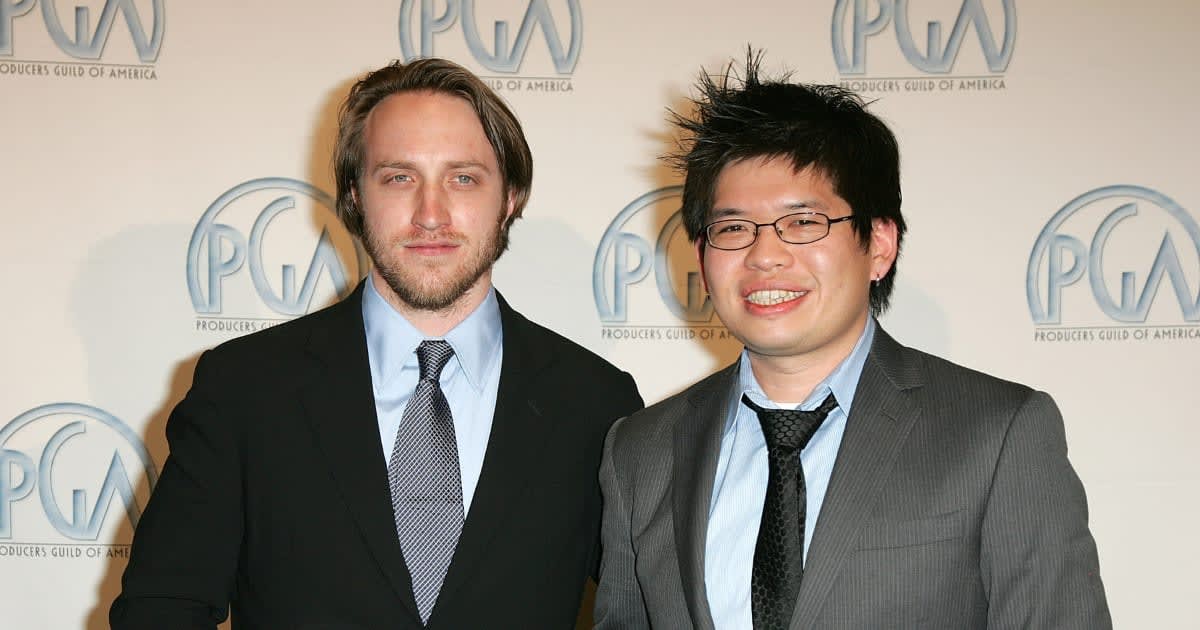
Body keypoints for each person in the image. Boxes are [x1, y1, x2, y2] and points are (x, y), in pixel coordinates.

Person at [110, 57, 643, 629]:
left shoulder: (596, 404)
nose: (430, 214)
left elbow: (651, 609)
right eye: (398, 177)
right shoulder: (245, 389)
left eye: (463, 178)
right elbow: (160, 609)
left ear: (510, 196)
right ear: (354, 196)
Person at [594, 53, 1110, 630]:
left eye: (804, 222)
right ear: (702, 255)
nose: (765, 255)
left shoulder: (998, 434)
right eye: (733, 227)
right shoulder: (641, 452)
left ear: (880, 245)